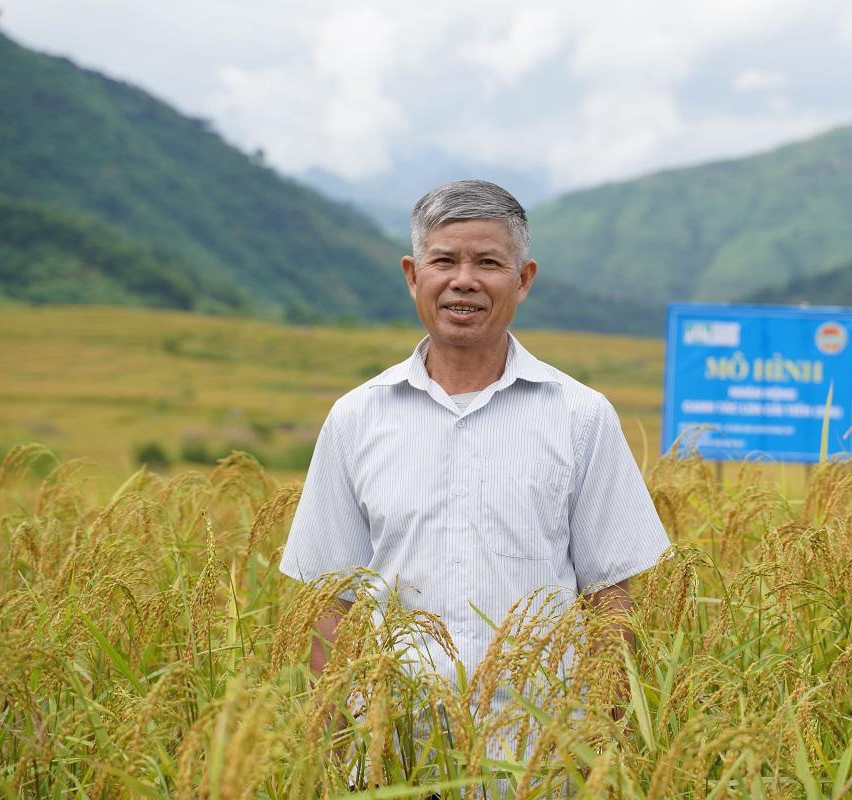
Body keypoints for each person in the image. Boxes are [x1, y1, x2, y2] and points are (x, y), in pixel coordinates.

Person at [279, 179, 670, 697]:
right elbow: (331, 601)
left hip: (540, 738)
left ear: (523, 279)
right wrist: (328, 738)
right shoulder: (357, 417)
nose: (464, 281)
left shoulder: (581, 417)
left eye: (487, 263)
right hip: (393, 736)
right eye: (444, 261)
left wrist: (609, 736)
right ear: (412, 275)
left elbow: (610, 600)